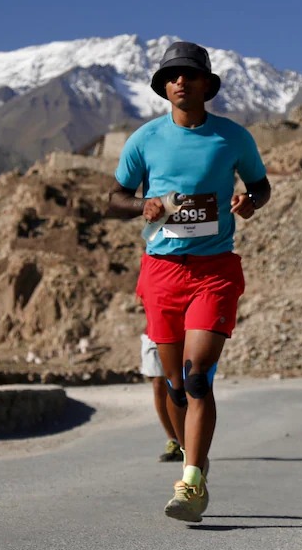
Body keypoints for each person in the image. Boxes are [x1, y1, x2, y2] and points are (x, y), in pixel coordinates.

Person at [108, 41, 271, 523]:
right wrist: (142, 206)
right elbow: (115, 197)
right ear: (163, 87)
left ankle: (192, 481)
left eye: (189, 74)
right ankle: (192, 455)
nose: (180, 81)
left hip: (214, 270)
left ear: (206, 85)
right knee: (176, 386)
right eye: (171, 75)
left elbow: (260, 186)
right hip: (161, 271)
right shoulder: (144, 140)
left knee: (198, 377)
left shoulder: (232, 138)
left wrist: (249, 203)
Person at [141, 332, 183, 462]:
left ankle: (189, 441)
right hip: (155, 331)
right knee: (159, 383)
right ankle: (174, 441)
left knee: (183, 385)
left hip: (186, 330)